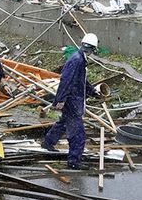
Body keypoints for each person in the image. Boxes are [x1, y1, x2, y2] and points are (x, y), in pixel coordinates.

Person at [42, 33, 101, 169]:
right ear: (92, 49)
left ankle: (48, 142)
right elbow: (66, 80)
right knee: (78, 133)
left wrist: (92, 91)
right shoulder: (77, 60)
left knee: (63, 123)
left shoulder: (80, 59)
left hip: (73, 99)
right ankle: (74, 161)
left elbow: (81, 80)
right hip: (72, 101)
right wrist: (60, 99)